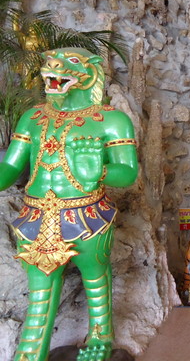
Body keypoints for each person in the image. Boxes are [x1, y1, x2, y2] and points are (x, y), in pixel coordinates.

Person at [0, 48, 138, 361]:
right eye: (51, 63)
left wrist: (100, 171)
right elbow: (10, 166)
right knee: (40, 288)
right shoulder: (32, 118)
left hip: (88, 214)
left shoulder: (112, 120)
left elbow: (129, 173)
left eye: (71, 62)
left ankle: (100, 337)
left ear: (91, 72)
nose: (55, 66)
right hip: (37, 217)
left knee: (95, 276)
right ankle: (31, 351)